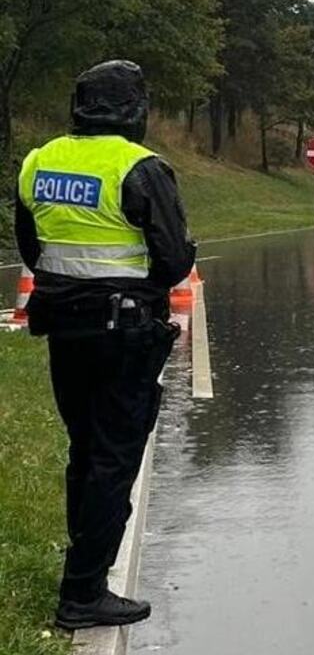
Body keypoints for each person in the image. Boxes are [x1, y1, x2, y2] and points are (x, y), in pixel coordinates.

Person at [14, 61, 195, 630]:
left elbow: (31, 246)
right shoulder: (140, 168)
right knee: (114, 458)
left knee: (86, 448)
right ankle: (84, 592)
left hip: (64, 328)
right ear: (133, 110)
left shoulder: (39, 161)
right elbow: (173, 259)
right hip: (125, 332)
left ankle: (84, 566)